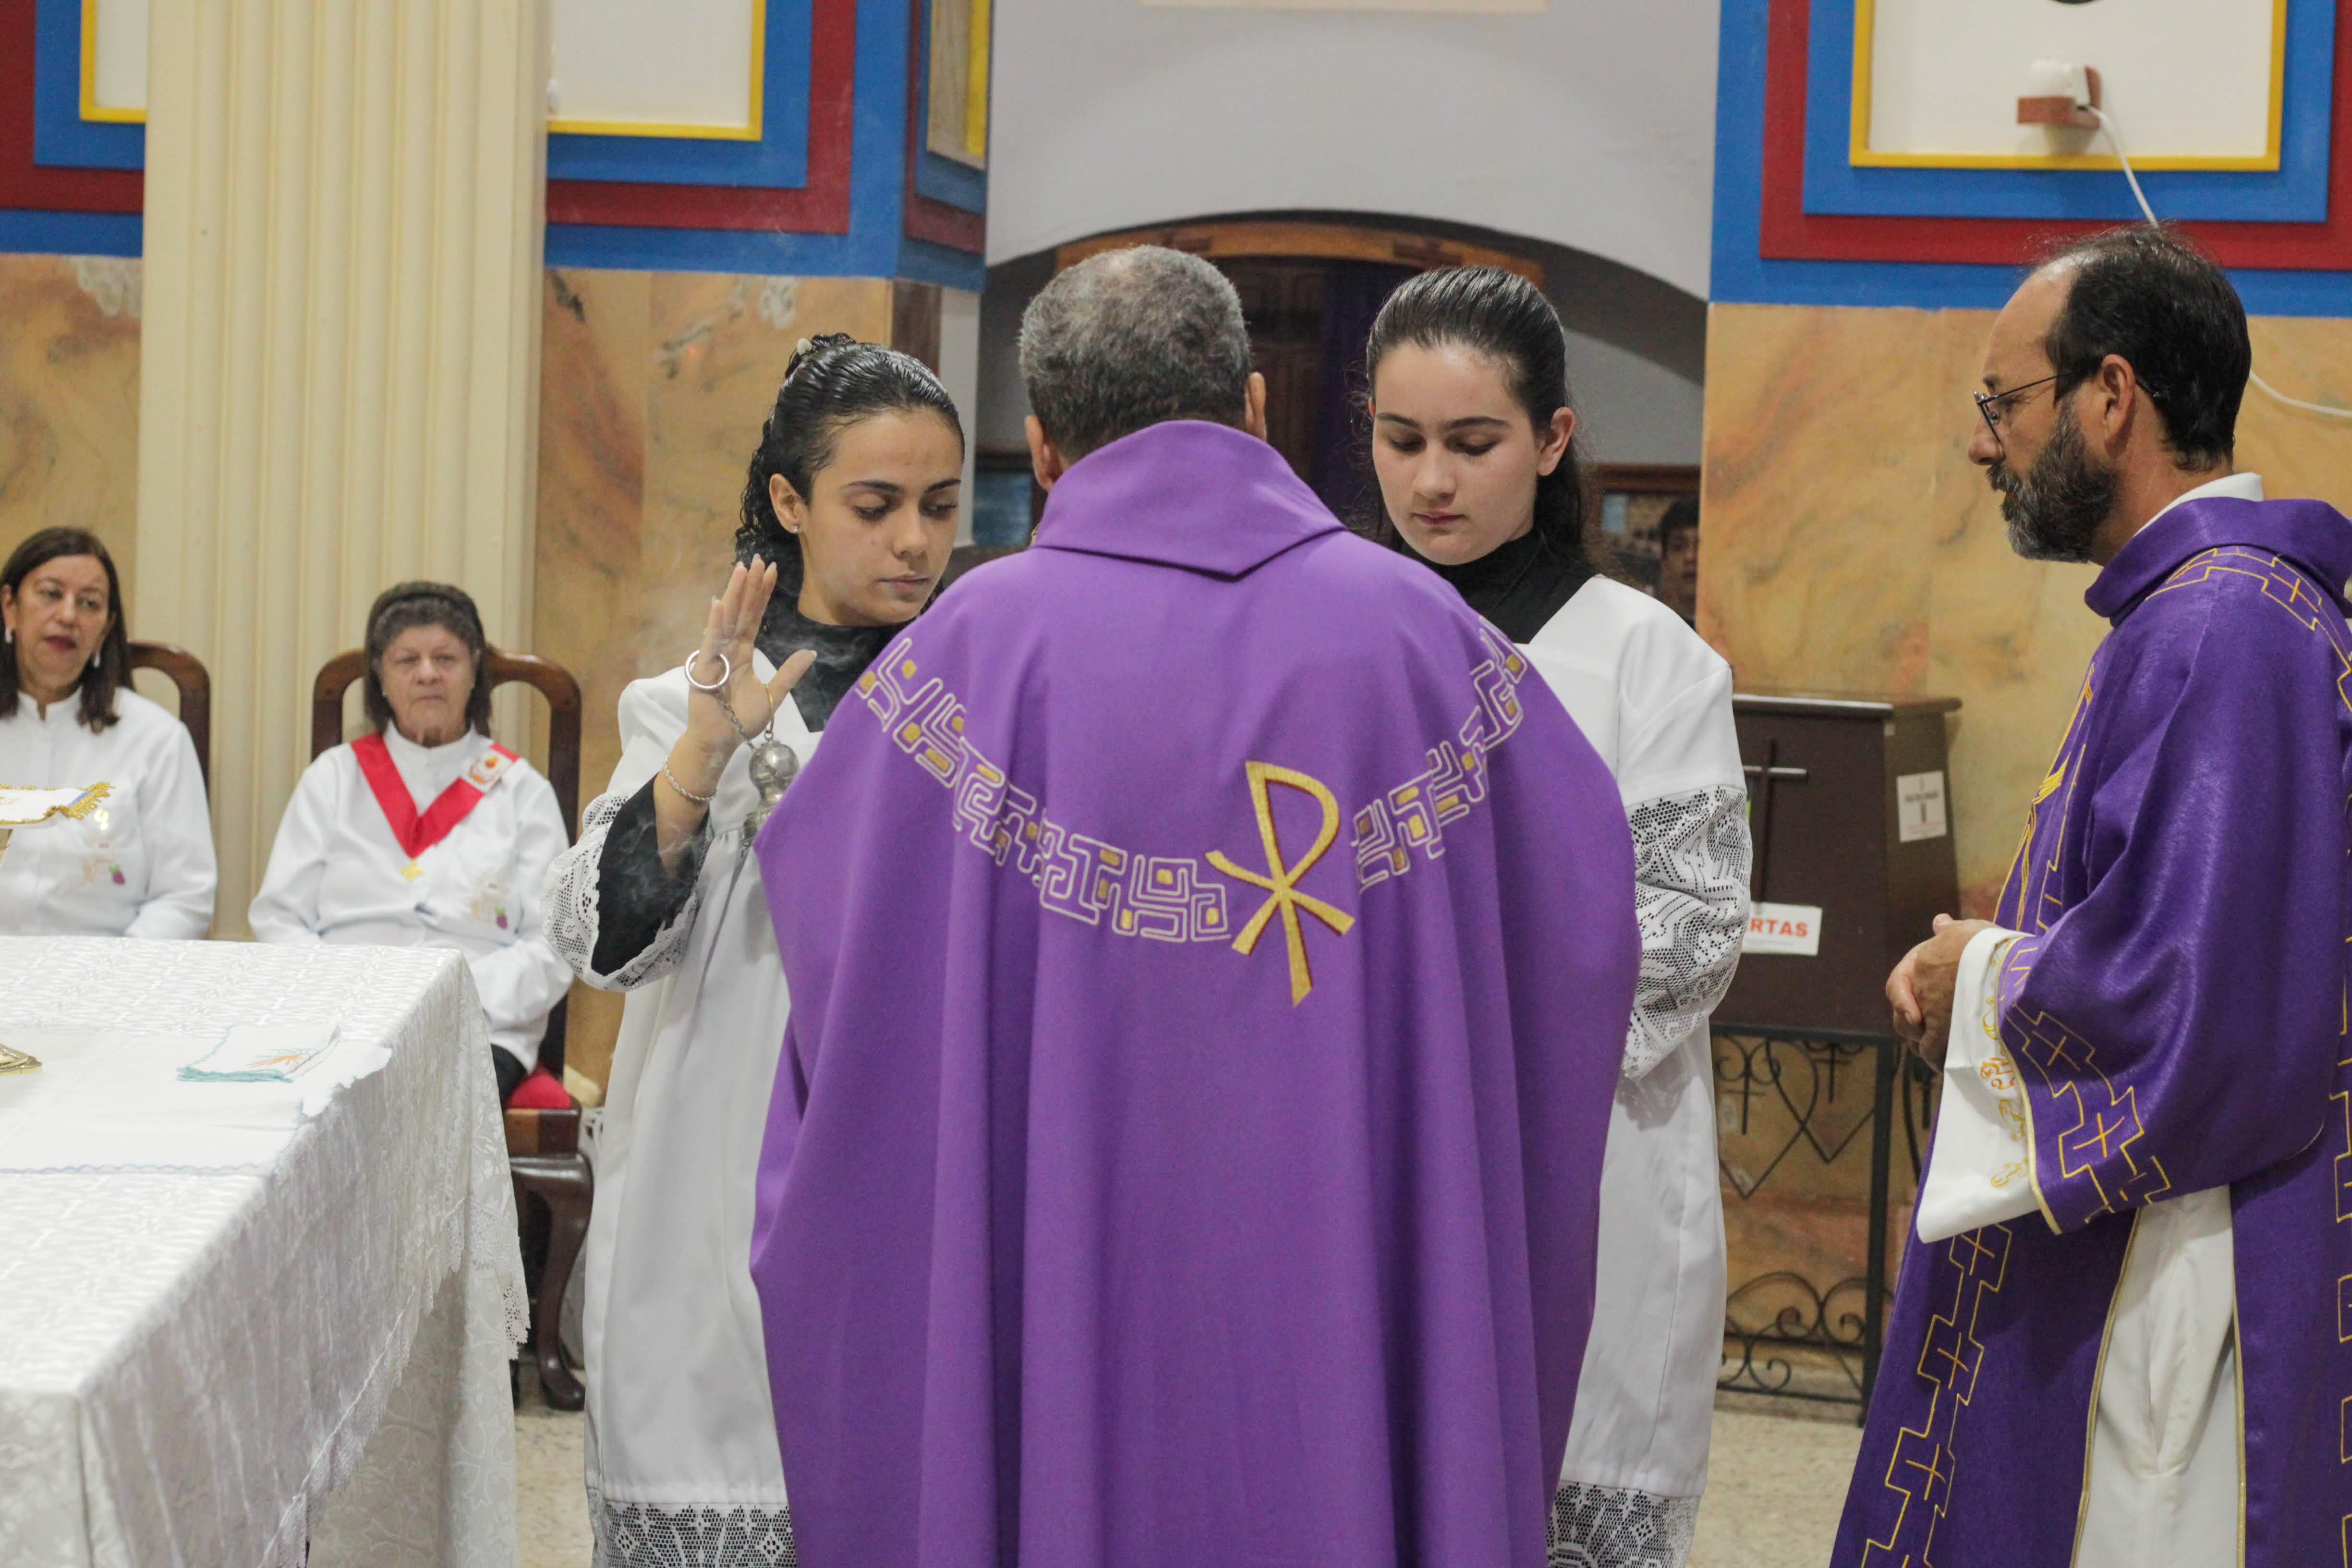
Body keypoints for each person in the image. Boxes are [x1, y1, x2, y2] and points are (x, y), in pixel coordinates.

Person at [747, 245, 1640, 1568]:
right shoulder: (1427, 641)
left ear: (1042, 446)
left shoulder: (960, 662)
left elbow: (846, 983)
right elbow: (1576, 936)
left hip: (1062, 1292)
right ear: (1256, 406)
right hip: (1348, 1291)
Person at [1833, 225, 2352, 1566]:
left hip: (2182, 1265)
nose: (1981, 442)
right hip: (2165, 1232)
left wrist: (1973, 978)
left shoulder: (2225, 625)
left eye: (2000, 400)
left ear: (2109, 395)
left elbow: (2195, 996)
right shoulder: (2200, 611)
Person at [537, 334, 964, 1564]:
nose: (914, 543)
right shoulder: (689, 703)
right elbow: (604, 944)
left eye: (940, 507)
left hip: (918, 1161)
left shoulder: (985, 697)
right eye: (874, 506)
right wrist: (701, 758)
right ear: (788, 500)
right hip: (718, 1159)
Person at [1365, 267, 1748, 1568]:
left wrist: (1455, 1032)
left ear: (1552, 440)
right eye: (1401, 439)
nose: (1430, 481)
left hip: (1588, 1158)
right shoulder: (1331, 641)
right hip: (1372, 1154)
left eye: (1472, 443)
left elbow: (1687, 929)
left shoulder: (1645, 657)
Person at [250, 581, 571, 1104]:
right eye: (407, 660)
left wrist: (450, 999)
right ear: (380, 677)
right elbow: (279, 920)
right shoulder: (334, 778)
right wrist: (351, 999)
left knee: (428, 1106)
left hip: (478, 1027)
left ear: (474, 672)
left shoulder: (521, 791)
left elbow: (553, 943)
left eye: (445, 658)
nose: (427, 674)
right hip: (343, 1025)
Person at [0, 527, 215, 938]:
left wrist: (113, 970)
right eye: (50, 594)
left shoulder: (156, 740)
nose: (68, 616)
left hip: (108, 967)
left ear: (105, 628)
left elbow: (185, 897)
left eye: (89, 603)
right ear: (10, 607)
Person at [1653, 496, 1698, 625]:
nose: (1691, 557)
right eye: (1679, 547)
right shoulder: (1649, 628)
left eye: (1700, 546)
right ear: (1664, 563)